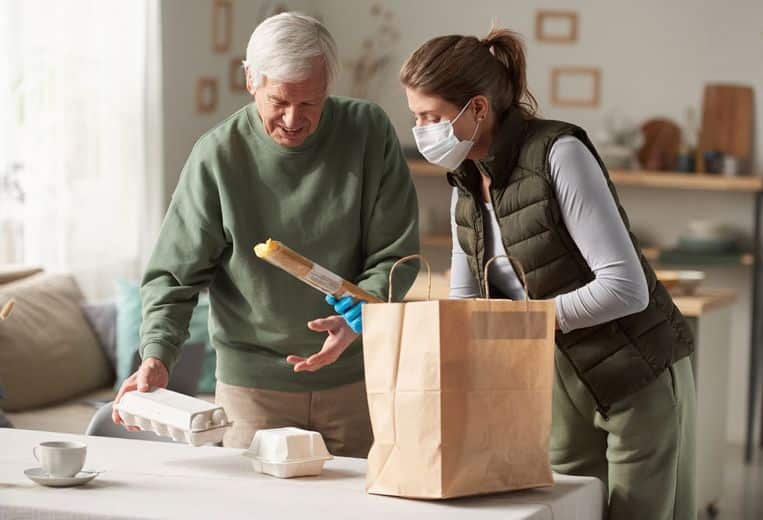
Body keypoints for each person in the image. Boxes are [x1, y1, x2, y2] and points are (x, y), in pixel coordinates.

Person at [400, 28, 695, 519]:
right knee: (564, 509)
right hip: (555, 380)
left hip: (636, 370)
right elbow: (467, 304)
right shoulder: (464, 188)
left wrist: (524, 321)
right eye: (416, 118)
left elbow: (626, 288)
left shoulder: (559, 153)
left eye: (431, 117)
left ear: (477, 109)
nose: (422, 130)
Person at [112, 13, 419, 457]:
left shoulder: (368, 131)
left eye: (311, 103)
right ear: (251, 80)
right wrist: (157, 356)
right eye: (279, 101)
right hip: (252, 391)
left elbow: (396, 255)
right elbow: (174, 278)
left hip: (356, 381)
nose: (294, 119)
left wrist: (360, 316)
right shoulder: (217, 156)